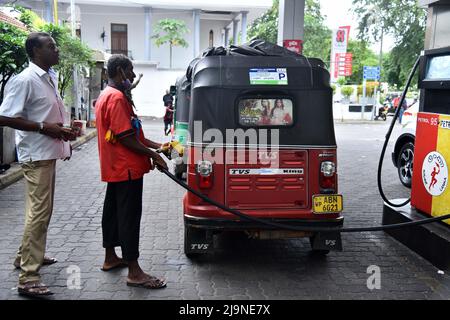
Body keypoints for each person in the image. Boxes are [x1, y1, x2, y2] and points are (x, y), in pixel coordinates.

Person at [0, 32, 76, 297]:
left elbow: (45, 115)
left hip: (48, 152)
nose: (56, 50)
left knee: (41, 211)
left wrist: (61, 132)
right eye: (51, 46)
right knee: (39, 213)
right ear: (34, 51)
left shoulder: (49, 77)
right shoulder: (25, 80)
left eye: (55, 46)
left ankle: (26, 256)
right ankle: (28, 277)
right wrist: (45, 127)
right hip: (36, 155)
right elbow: (4, 117)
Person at [95, 54, 169, 289]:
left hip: (115, 168)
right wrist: (154, 156)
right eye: (131, 71)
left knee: (113, 212)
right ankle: (134, 271)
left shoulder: (107, 95)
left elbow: (133, 133)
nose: (133, 76)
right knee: (128, 216)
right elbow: (127, 138)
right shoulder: (116, 98)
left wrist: (159, 146)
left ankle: (110, 258)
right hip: (125, 168)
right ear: (119, 70)